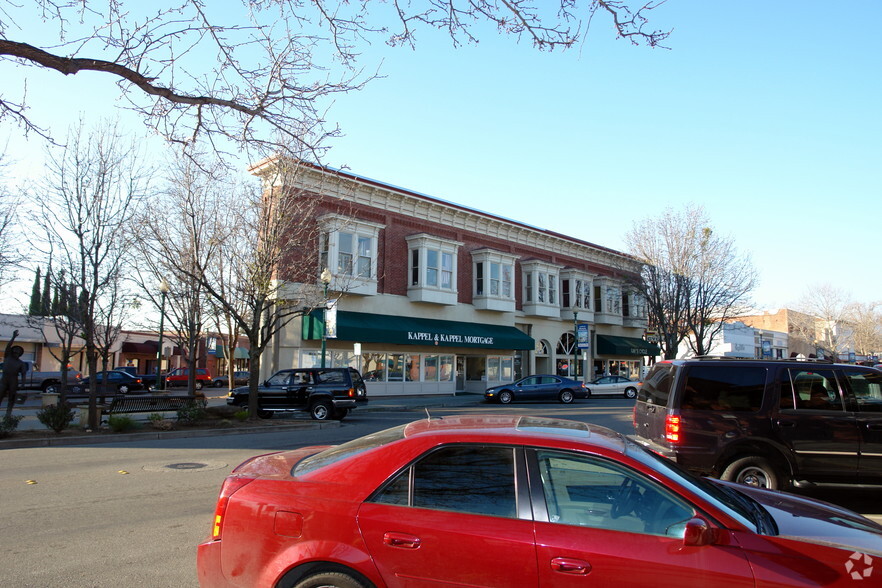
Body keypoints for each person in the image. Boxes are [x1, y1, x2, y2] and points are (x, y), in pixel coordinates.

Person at [1, 330, 27, 419]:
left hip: (13, 379)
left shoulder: (21, 363)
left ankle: (8, 414)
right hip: (4, 379)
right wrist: (13, 337)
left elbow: (23, 374)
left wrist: (23, 384)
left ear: (20, 353)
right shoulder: (7, 356)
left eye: (18, 350)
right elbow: (8, 346)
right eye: (15, 349)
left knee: (11, 397)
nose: (16, 350)